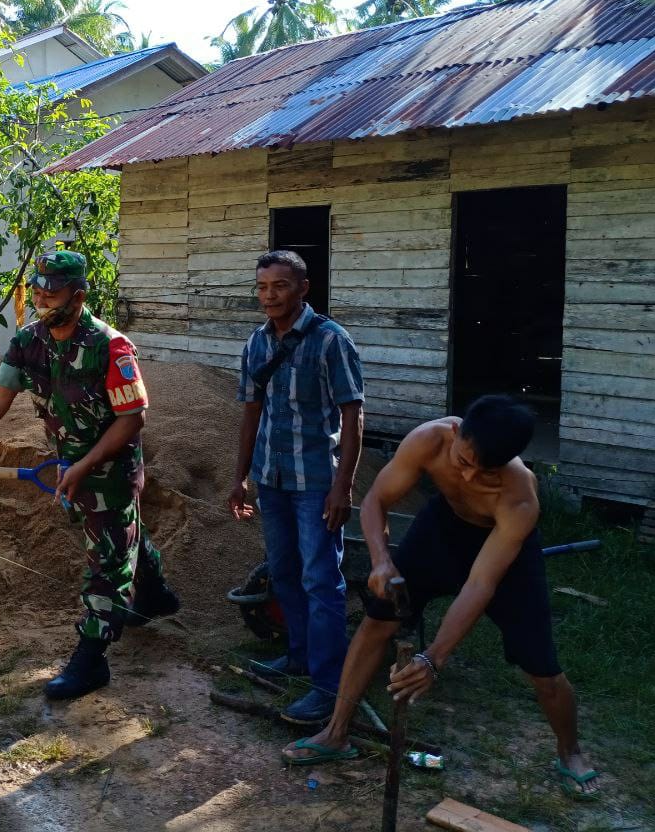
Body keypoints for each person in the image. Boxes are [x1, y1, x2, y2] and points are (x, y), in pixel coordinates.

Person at [281, 396, 601, 801]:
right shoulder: (429, 439)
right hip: (441, 529)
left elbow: (480, 584)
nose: (467, 478)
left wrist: (434, 656)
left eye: (483, 471)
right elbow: (377, 500)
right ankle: (335, 733)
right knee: (377, 621)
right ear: (456, 432)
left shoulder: (519, 498)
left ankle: (570, 751)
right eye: (463, 462)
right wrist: (380, 560)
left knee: (542, 666)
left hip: (504, 556)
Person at [0, 251, 180, 701]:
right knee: (113, 538)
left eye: (51, 292)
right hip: (66, 465)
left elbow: (132, 419)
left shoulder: (110, 347)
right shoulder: (28, 341)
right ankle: (154, 596)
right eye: (37, 289)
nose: (41, 297)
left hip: (110, 466)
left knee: (107, 562)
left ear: (78, 296)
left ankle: (91, 659)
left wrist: (84, 465)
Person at [228, 250, 364, 725]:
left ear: (303, 288)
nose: (270, 296)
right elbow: (250, 413)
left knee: (321, 580)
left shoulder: (331, 340)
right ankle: (299, 656)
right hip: (272, 478)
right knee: (284, 573)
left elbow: (353, 416)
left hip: (315, 482)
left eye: (281, 286)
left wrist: (342, 488)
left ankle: (329, 685)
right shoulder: (257, 344)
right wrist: (241, 476)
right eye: (263, 287)